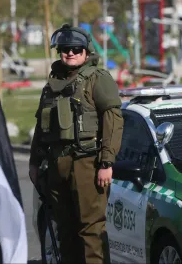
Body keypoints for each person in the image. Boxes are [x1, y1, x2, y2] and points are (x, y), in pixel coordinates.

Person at [29, 23, 124, 264]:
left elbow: (113, 120)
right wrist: (34, 162)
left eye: (75, 48)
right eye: (64, 48)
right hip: (57, 164)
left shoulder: (97, 79)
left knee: (91, 230)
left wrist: (107, 161)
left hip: (88, 163)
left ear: (86, 51)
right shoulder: (52, 85)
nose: (70, 53)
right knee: (65, 230)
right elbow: (42, 128)